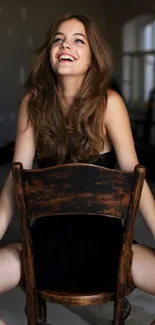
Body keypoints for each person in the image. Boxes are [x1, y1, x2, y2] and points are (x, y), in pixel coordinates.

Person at [0, 12, 155, 325]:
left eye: (77, 40)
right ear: (49, 53)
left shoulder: (109, 103)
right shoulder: (33, 103)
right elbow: (13, 183)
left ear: (92, 56)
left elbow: (136, 179)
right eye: (57, 39)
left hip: (112, 251)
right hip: (42, 250)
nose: (64, 45)